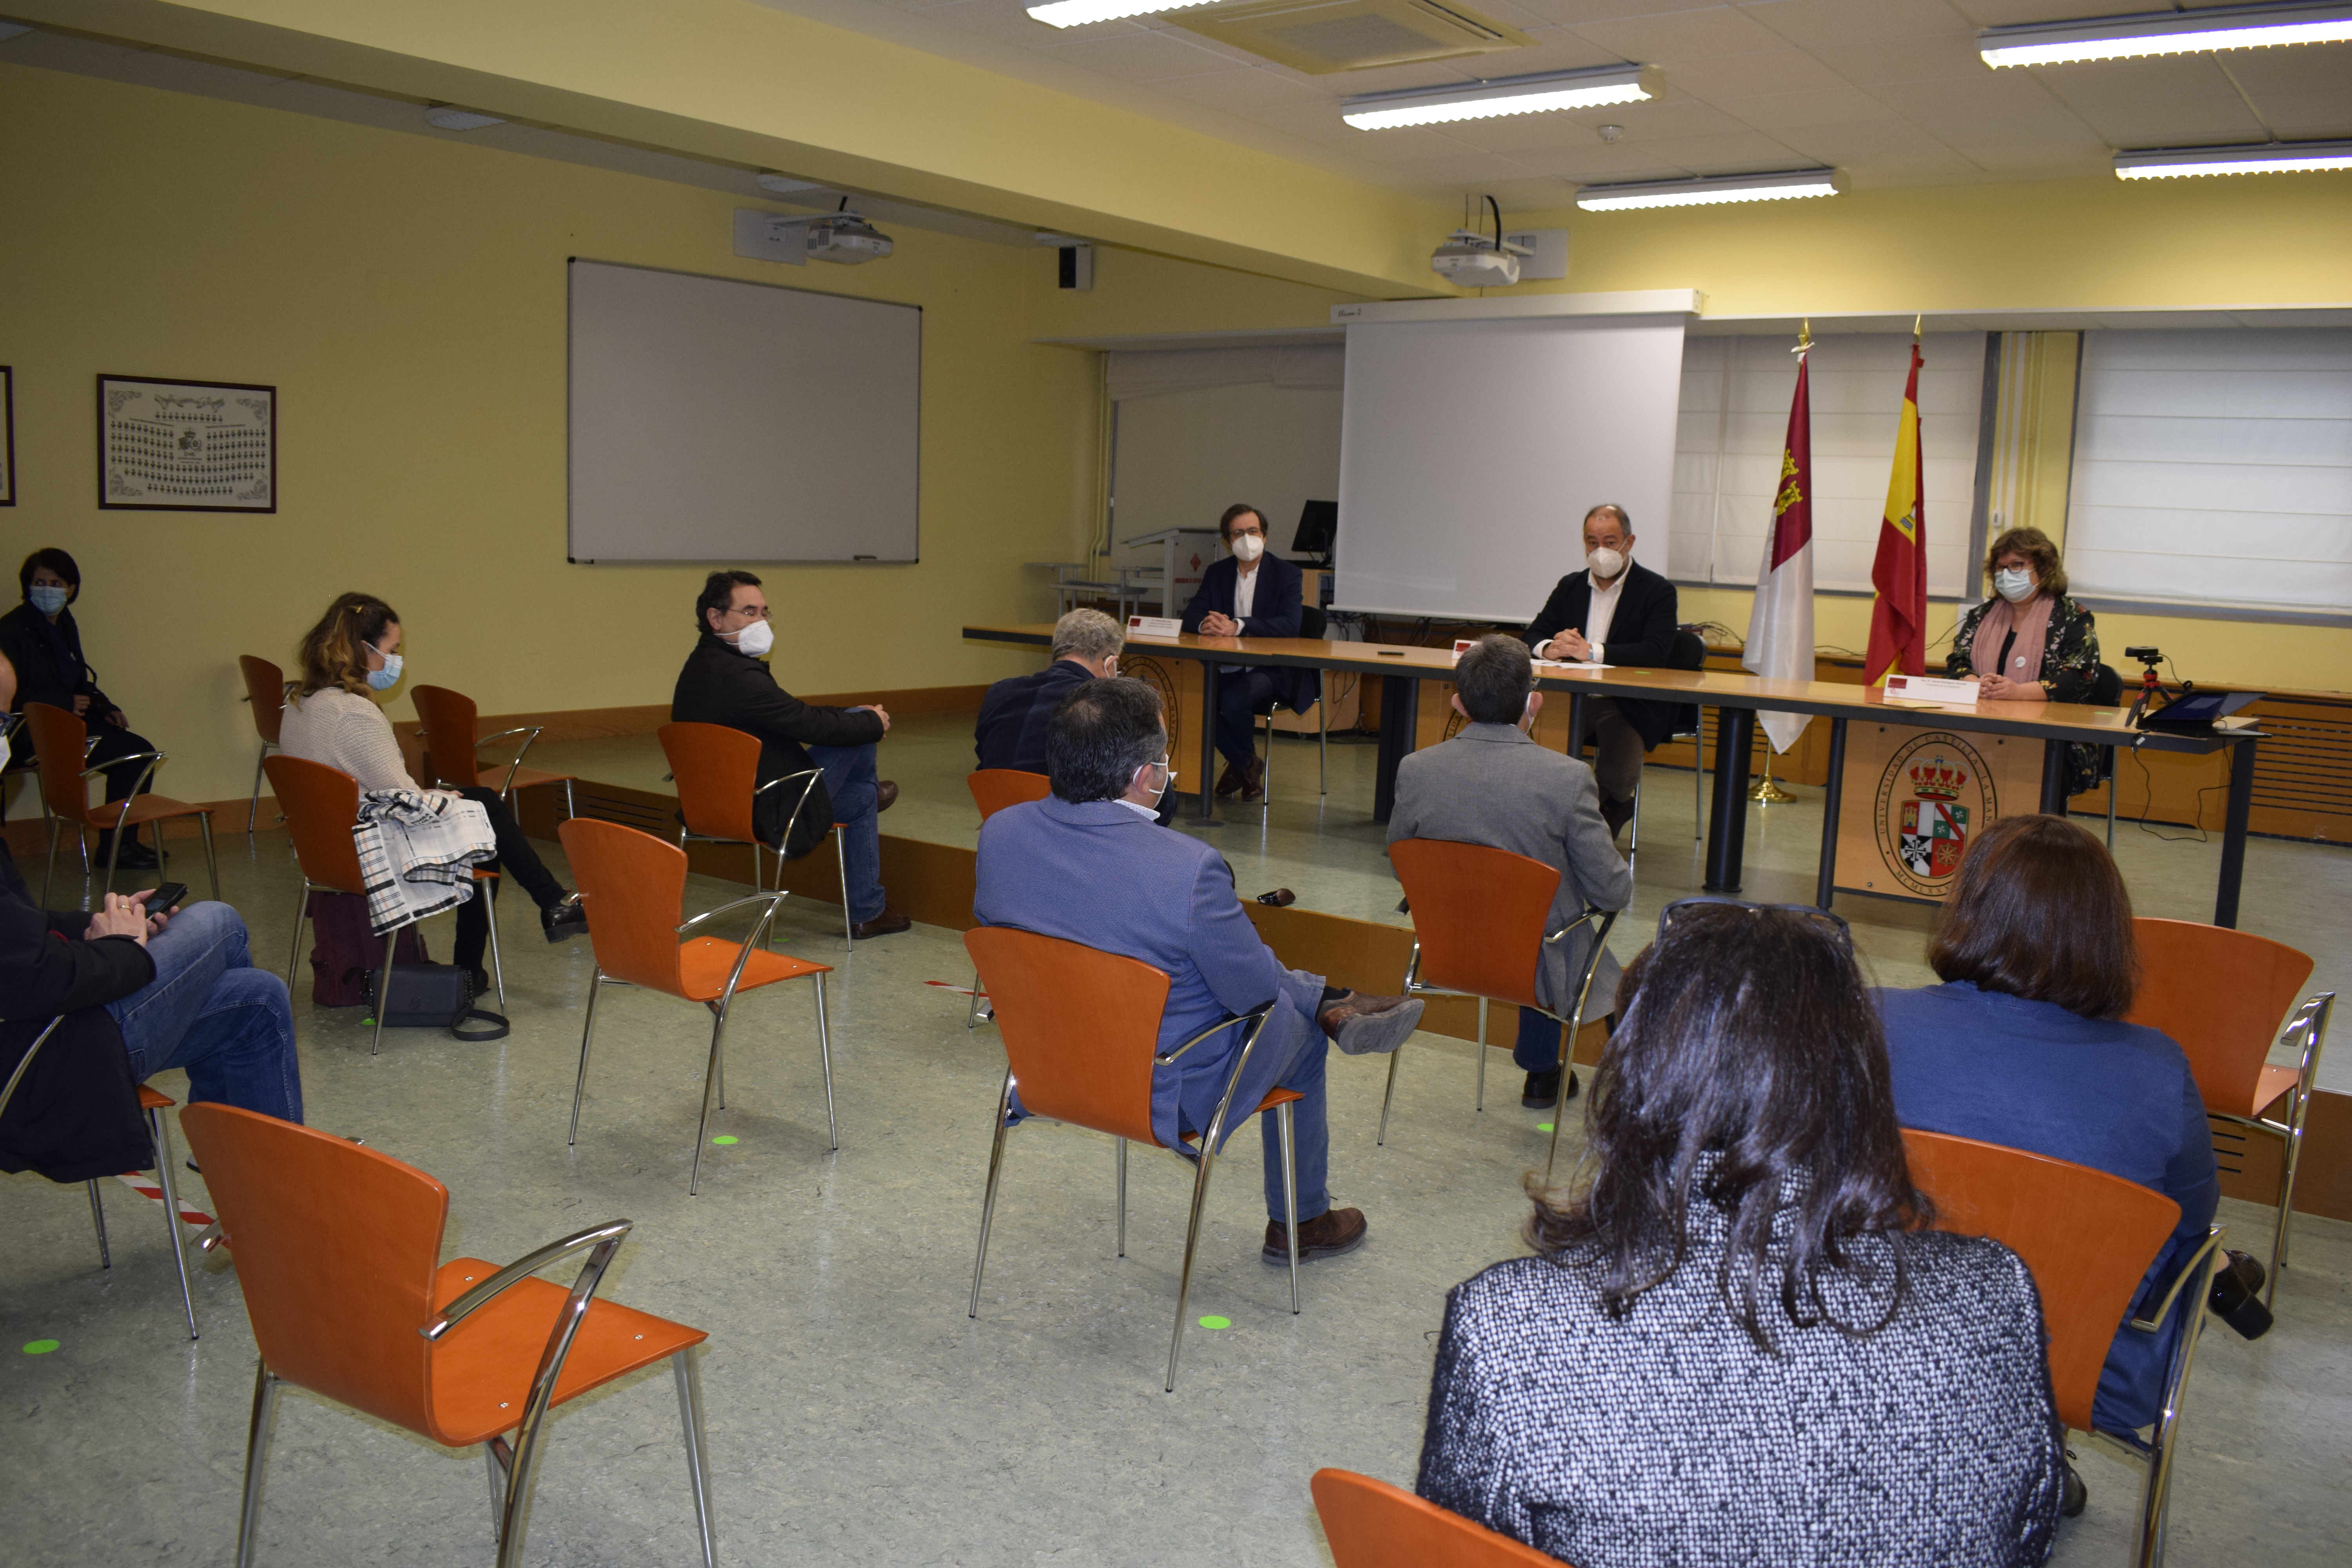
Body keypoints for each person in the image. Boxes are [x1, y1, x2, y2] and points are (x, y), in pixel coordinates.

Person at [1418, 901, 2063, 1567]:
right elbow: (2028, 1536)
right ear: (1860, 1079)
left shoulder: (1508, 1329)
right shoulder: (1994, 1299)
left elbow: (1454, 1553)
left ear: (1636, 1084)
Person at [973, 677, 1425, 1261]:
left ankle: (1328, 998)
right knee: (1295, 1023)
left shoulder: (999, 835)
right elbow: (1257, 994)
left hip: (1049, 1066)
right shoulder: (1188, 869)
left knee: (1257, 988)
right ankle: (1302, 1221)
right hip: (1163, 1087)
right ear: (1146, 778)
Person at [1878, 813, 2216, 1452]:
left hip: (1878, 1329)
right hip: (2079, 1370)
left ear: (1967, 910)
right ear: (2109, 934)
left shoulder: (1870, 1021)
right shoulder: (2160, 1072)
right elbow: (2190, 1229)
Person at [276, 593, 587, 995]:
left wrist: (443, 797)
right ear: (364, 650)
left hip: (324, 848)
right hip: (370, 849)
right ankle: (512, 934)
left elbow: (374, 783)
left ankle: (544, 910)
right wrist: (444, 800)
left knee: (478, 803)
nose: (394, 661)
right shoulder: (354, 713)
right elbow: (405, 797)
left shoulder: (300, 705)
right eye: (392, 650)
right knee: (484, 820)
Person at [1387, 636, 1632, 1110]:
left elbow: (1402, 861)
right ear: (1533, 702)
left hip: (1448, 949)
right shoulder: (1567, 778)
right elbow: (1613, 891)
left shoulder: (1416, 769)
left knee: (1528, 915)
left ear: (1459, 702)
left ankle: (1542, 1072)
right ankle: (1629, 1094)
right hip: (1539, 962)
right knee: (1563, 931)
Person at [1, 837, 301, 1183]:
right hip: (38, 1059)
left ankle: (269, 1197)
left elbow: (23, 938)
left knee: (259, 998)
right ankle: (239, 1164)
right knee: (220, 919)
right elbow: (34, 981)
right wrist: (120, 945)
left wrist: (98, 927)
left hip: (47, 1033)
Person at [672, 570, 907, 938]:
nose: (761, 622)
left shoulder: (702, 666)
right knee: (858, 735)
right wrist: (872, 723)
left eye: (765, 613)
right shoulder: (739, 677)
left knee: (859, 795)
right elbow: (806, 724)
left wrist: (855, 717)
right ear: (715, 618)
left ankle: (869, 909)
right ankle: (866, 910)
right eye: (749, 612)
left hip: (714, 804)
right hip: (766, 808)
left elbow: (790, 713)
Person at [1519, 505, 1683, 839]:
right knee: (1536, 741)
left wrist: (1591, 651)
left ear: (1629, 542)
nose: (1600, 551)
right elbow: (1532, 636)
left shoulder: (1657, 590)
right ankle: (1540, 817)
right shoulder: (1571, 585)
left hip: (1624, 701)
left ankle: (1608, 811)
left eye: (1610, 542)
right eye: (1592, 542)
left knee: (1618, 767)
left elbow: (1655, 652)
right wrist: (1550, 647)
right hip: (1568, 697)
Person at [0, 548, 166, 867]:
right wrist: (63, 703)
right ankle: (117, 847)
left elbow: (76, 679)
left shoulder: (64, 624)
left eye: (56, 582)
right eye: (39, 582)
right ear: (27, 585)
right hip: (32, 732)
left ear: (71, 589)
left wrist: (104, 707)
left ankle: (119, 845)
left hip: (69, 723)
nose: (47, 589)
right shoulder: (11, 629)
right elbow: (9, 696)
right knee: (133, 755)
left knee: (138, 752)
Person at [1947, 526, 2104, 797]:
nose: (2007, 575)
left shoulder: (2072, 617)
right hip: (1979, 730)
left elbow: (2081, 677)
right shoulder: (1981, 616)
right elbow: (1956, 665)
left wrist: (2019, 693)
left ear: (2043, 568)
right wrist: (1977, 685)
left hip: (2052, 740)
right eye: (2001, 568)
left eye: (2017, 565)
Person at [1179, 504, 1316, 803]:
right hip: (1228, 665)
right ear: (1228, 542)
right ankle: (1247, 765)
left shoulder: (1287, 574)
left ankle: (1241, 767)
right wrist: (1206, 624)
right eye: (1238, 533)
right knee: (1196, 701)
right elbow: (1191, 615)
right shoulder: (1218, 573)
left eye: (1252, 531)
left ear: (1264, 537)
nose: (1246, 538)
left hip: (1272, 668)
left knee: (1231, 700)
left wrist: (1238, 626)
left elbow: (1291, 625)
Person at [974, 608, 1123, 775]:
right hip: (1060, 799)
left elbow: (984, 753)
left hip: (994, 797)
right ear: (1110, 663)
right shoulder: (1101, 703)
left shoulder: (999, 692)